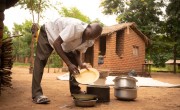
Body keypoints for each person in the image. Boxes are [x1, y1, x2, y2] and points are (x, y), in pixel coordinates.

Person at [31, 17, 102, 104]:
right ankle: (37, 94)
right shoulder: (75, 27)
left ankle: (75, 90)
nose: (88, 37)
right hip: (49, 32)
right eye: (89, 34)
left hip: (65, 44)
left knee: (74, 64)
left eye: (91, 37)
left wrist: (80, 64)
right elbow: (56, 43)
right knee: (41, 60)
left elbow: (77, 51)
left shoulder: (89, 41)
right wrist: (68, 64)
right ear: (88, 27)